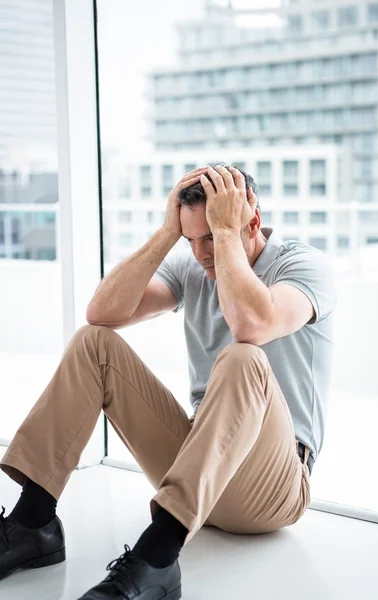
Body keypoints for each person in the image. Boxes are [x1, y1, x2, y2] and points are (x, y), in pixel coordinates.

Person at [0, 163, 336, 599]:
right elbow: (103, 313)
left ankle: (158, 557)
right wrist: (166, 234)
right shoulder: (194, 264)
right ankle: (32, 524)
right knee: (93, 343)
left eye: (212, 236)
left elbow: (252, 325)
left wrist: (227, 235)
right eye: (192, 239)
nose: (201, 253)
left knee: (242, 357)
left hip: (271, 487)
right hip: (197, 467)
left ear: (250, 221)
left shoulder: (304, 265)